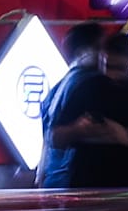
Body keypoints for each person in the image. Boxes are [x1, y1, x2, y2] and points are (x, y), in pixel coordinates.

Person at [47, 29, 128, 190]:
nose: (112, 75)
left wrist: (127, 138)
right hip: (88, 193)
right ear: (101, 59)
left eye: (118, 68)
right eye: (107, 67)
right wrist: (78, 129)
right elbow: (54, 138)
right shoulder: (84, 87)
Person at [34, 24, 105, 186]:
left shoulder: (56, 89)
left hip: (54, 183)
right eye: (102, 47)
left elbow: (46, 145)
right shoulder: (93, 84)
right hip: (78, 186)